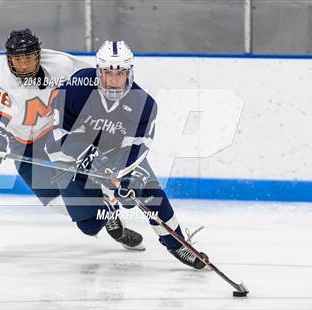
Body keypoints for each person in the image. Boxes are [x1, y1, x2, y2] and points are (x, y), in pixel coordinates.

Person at [0, 29, 143, 250]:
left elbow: (98, 76)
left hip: (60, 133)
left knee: (90, 174)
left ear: (39, 54)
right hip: (24, 144)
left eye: (28, 58)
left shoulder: (60, 64)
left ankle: (110, 192)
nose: (24, 65)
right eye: (18, 59)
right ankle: (107, 209)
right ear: (9, 59)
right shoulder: (0, 80)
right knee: (60, 204)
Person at [45, 40, 207, 269]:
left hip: (116, 156)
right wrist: (89, 157)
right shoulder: (77, 88)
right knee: (89, 226)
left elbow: (137, 149)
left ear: (129, 72)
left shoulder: (144, 104)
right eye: (107, 73)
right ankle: (109, 212)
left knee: (148, 193)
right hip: (73, 157)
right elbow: (60, 133)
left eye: (120, 73)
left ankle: (178, 244)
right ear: (98, 71)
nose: (113, 81)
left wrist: (124, 175)